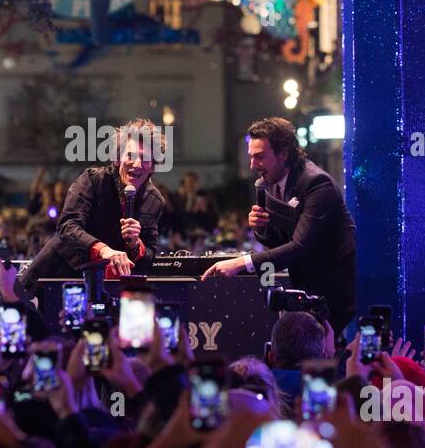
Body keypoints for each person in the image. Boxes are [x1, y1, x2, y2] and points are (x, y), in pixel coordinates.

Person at [201, 117, 357, 327]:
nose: (253, 165)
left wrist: (241, 263)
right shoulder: (269, 183)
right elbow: (278, 242)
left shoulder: (317, 184)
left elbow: (299, 247)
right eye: (251, 157)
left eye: (260, 157)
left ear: (283, 153)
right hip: (305, 291)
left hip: (333, 297)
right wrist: (261, 227)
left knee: (321, 358)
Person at [19, 118, 168, 290]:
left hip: (103, 288)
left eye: (146, 158)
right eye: (130, 155)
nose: (137, 164)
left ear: (153, 167)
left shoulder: (154, 201)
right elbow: (68, 226)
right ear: (117, 159)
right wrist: (103, 250)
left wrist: (135, 245)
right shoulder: (92, 180)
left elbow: (149, 256)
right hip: (56, 276)